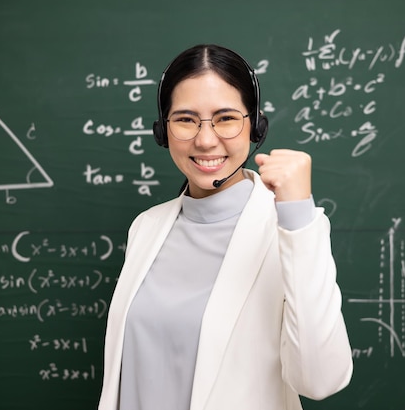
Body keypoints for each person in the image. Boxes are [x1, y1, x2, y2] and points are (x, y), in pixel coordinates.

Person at [98, 44, 353, 410]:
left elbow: (320, 380)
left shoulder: (289, 228)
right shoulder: (146, 227)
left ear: (256, 127)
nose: (204, 139)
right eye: (185, 119)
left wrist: (297, 215)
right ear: (162, 130)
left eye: (226, 118)